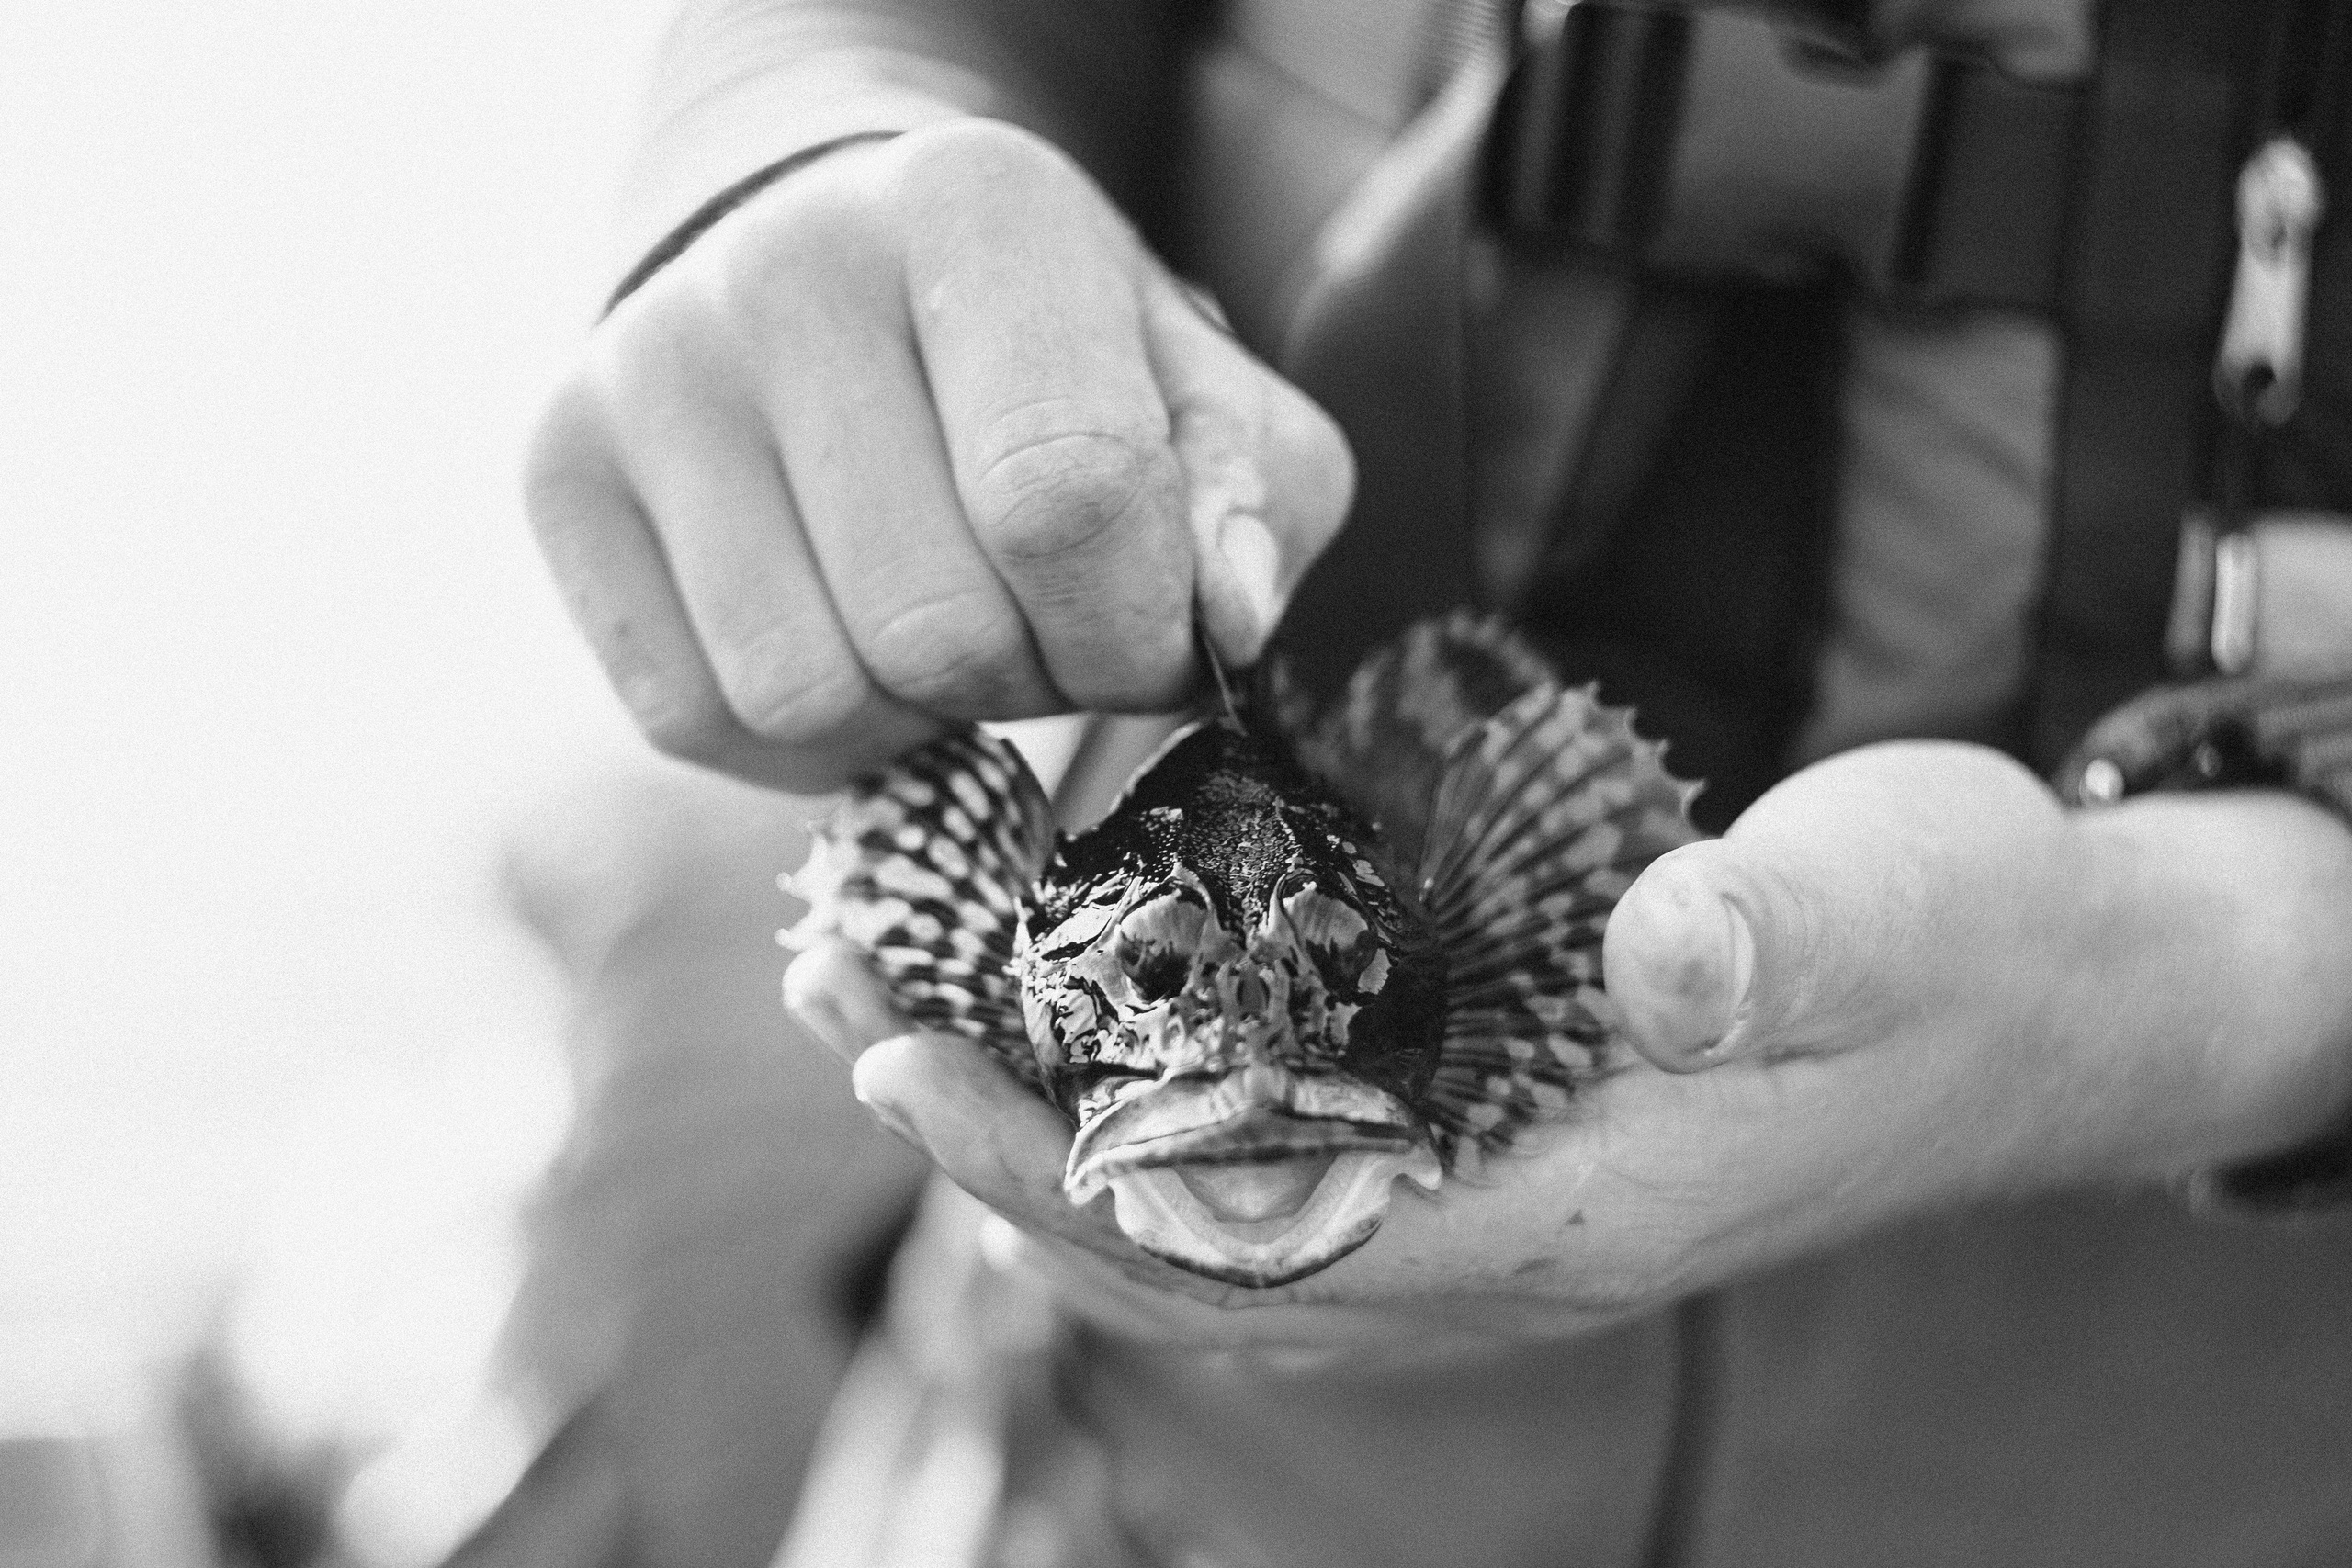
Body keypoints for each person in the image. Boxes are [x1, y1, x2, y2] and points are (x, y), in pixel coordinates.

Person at [516, 0, 2352, 1562]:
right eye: (1156, 984)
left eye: (1313, 978)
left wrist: (2221, 971)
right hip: (1158, 1478)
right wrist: (799, 158)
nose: (1239, 1077)